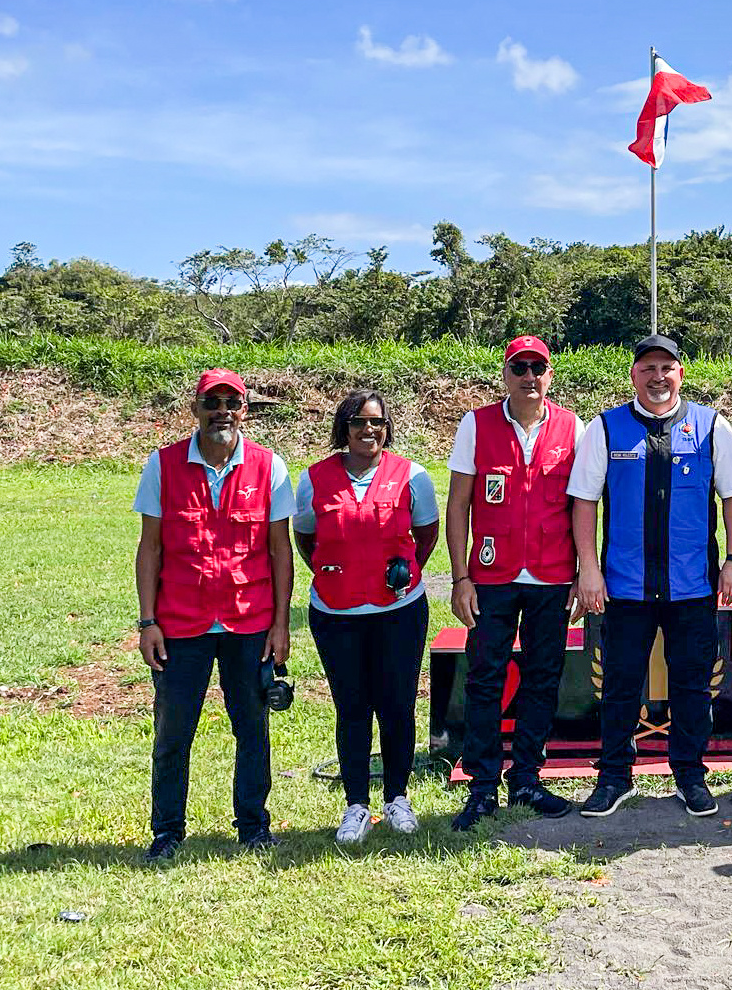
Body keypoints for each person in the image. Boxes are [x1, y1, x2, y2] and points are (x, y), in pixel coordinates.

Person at [569, 334, 732, 818]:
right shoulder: (605, 428)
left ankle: (690, 775)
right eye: (647, 369)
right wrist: (589, 569)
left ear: (680, 374)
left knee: (692, 685)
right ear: (633, 376)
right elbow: (584, 501)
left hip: (692, 586)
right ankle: (614, 777)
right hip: (623, 587)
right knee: (620, 685)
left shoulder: (711, 426)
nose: (657, 377)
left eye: (666, 368)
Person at [133, 369, 295, 861]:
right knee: (173, 732)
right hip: (181, 623)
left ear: (244, 410)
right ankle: (167, 831)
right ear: (195, 409)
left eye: (231, 402)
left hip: (250, 621)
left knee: (252, 729)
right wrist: (147, 622)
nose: (221, 411)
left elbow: (280, 551)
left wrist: (281, 624)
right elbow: (150, 548)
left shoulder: (269, 467)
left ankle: (253, 826)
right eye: (212, 402)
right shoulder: (163, 466)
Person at [444, 336, 585, 831]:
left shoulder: (572, 427)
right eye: (519, 367)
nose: (529, 376)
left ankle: (526, 777)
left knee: (543, 676)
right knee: (485, 677)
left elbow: (583, 506)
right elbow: (458, 505)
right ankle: (483, 784)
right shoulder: (476, 424)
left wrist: (583, 572)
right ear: (505, 374)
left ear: (550, 375)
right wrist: (461, 577)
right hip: (492, 574)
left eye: (537, 368)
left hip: (553, 574)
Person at [292, 390, 439, 845]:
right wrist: (342, 574)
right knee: (352, 706)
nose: (368, 430)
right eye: (358, 421)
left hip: (398, 612)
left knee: (397, 705)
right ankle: (356, 804)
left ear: (387, 427)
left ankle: (397, 798)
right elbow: (306, 540)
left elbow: (426, 536)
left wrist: (395, 574)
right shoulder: (313, 479)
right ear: (344, 427)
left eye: (376, 422)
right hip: (336, 613)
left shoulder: (413, 475)